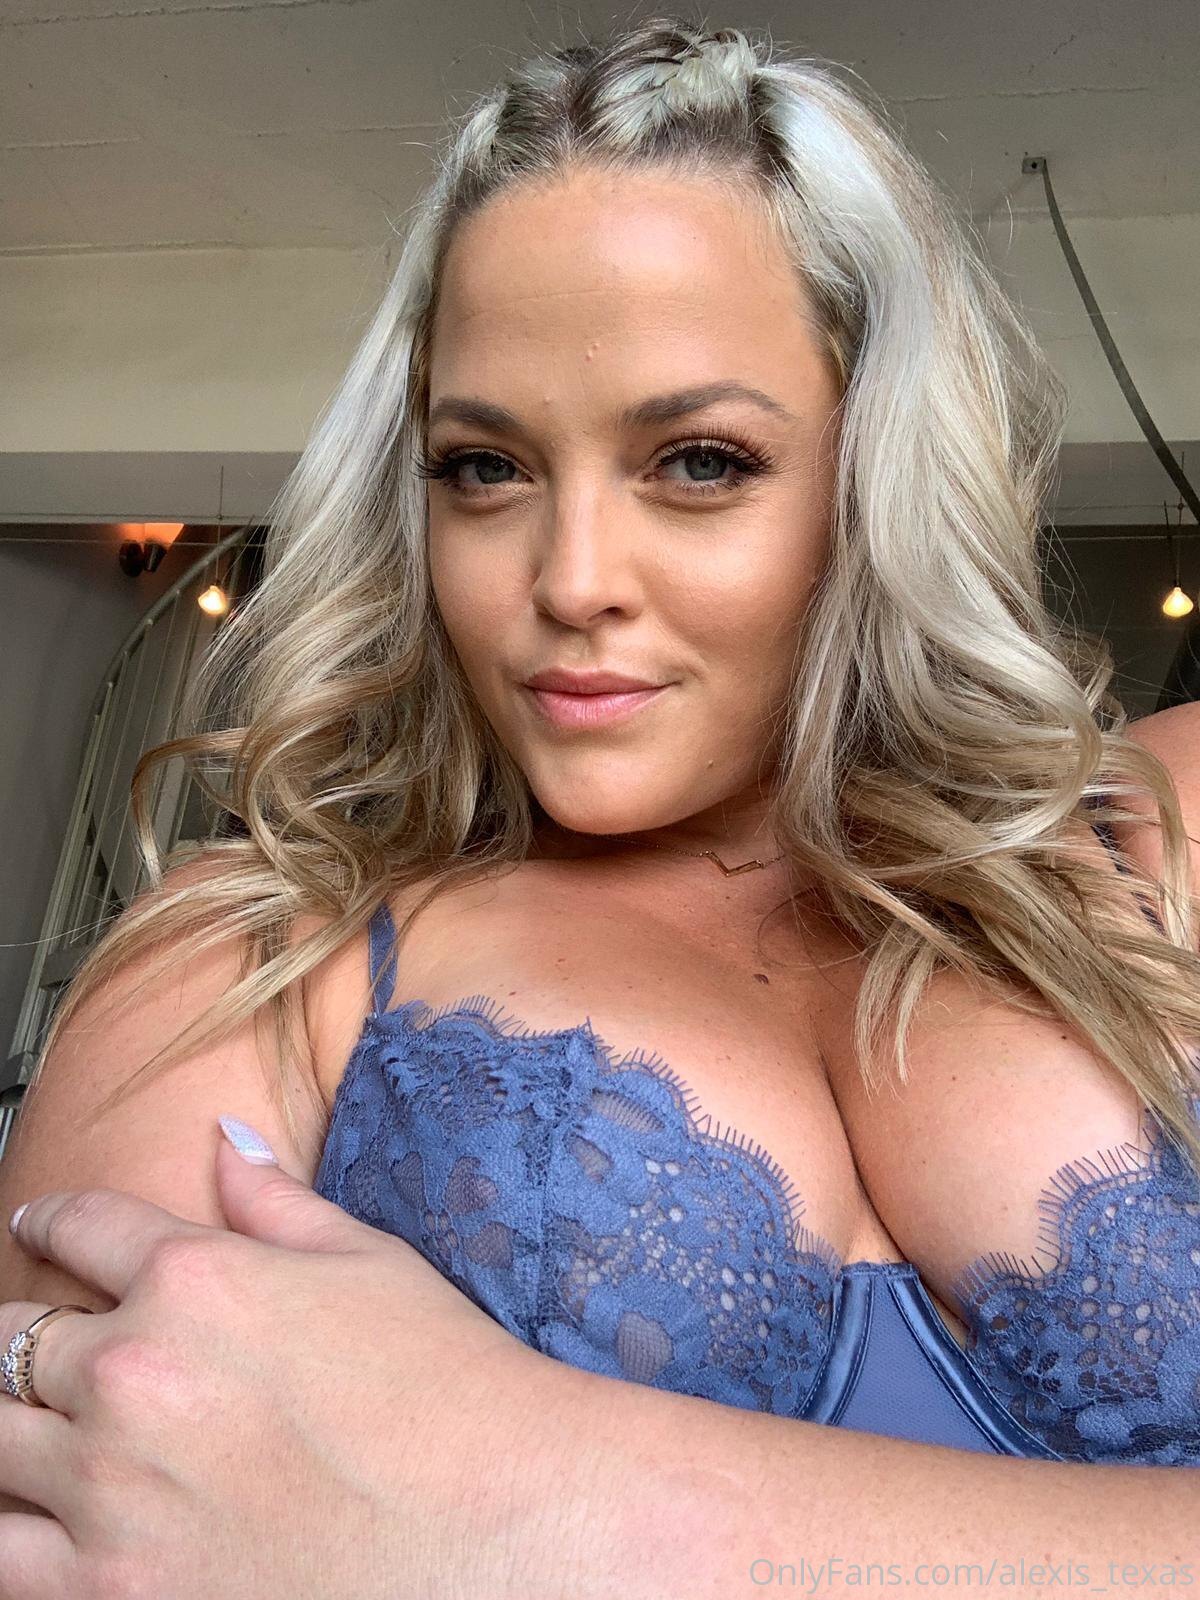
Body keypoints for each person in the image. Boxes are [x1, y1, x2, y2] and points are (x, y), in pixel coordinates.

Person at [1, 14, 1199, 1594]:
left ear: (874, 472)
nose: (569, 583)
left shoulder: (1166, 829)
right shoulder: (247, 967)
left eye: (698, 462)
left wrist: (575, 1507)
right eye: (484, 469)